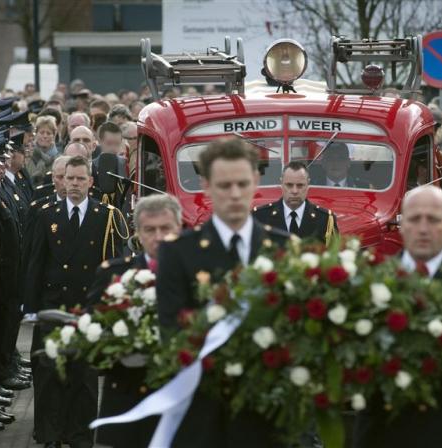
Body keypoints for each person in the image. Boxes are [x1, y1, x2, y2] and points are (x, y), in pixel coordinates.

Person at [155, 137, 291, 447]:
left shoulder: (283, 249)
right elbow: (172, 334)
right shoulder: (178, 254)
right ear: (205, 185)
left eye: (242, 184)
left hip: (267, 415)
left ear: (256, 181)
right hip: (203, 413)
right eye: (224, 185)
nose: (234, 194)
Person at [352, 184, 442, 448]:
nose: (423, 228)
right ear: (401, 224)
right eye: (415, 219)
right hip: (385, 429)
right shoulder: (373, 280)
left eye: (433, 219)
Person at [23, 156, 126, 448]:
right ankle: (50, 434)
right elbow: (35, 263)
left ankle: (80, 434)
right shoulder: (46, 214)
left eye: (80, 179)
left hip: (86, 307)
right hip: (52, 306)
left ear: (91, 182)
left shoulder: (105, 216)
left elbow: (112, 264)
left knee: (84, 376)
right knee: (48, 375)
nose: (74, 185)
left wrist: (110, 309)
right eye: (70, 178)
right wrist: (30, 308)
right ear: (62, 180)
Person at [90, 194, 182, 448]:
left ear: (179, 228)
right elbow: (91, 339)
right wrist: (117, 351)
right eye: (149, 230)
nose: (158, 237)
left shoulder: (198, 274)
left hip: (182, 401)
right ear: (137, 234)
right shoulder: (115, 274)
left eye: (166, 228)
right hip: (129, 397)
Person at [253, 161, 339, 244]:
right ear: (281, 184)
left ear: (308, 185)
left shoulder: (325, 219)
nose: (294, 191)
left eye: (300, 185)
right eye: (289, 185)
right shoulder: (260, 217)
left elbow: (334, 254)